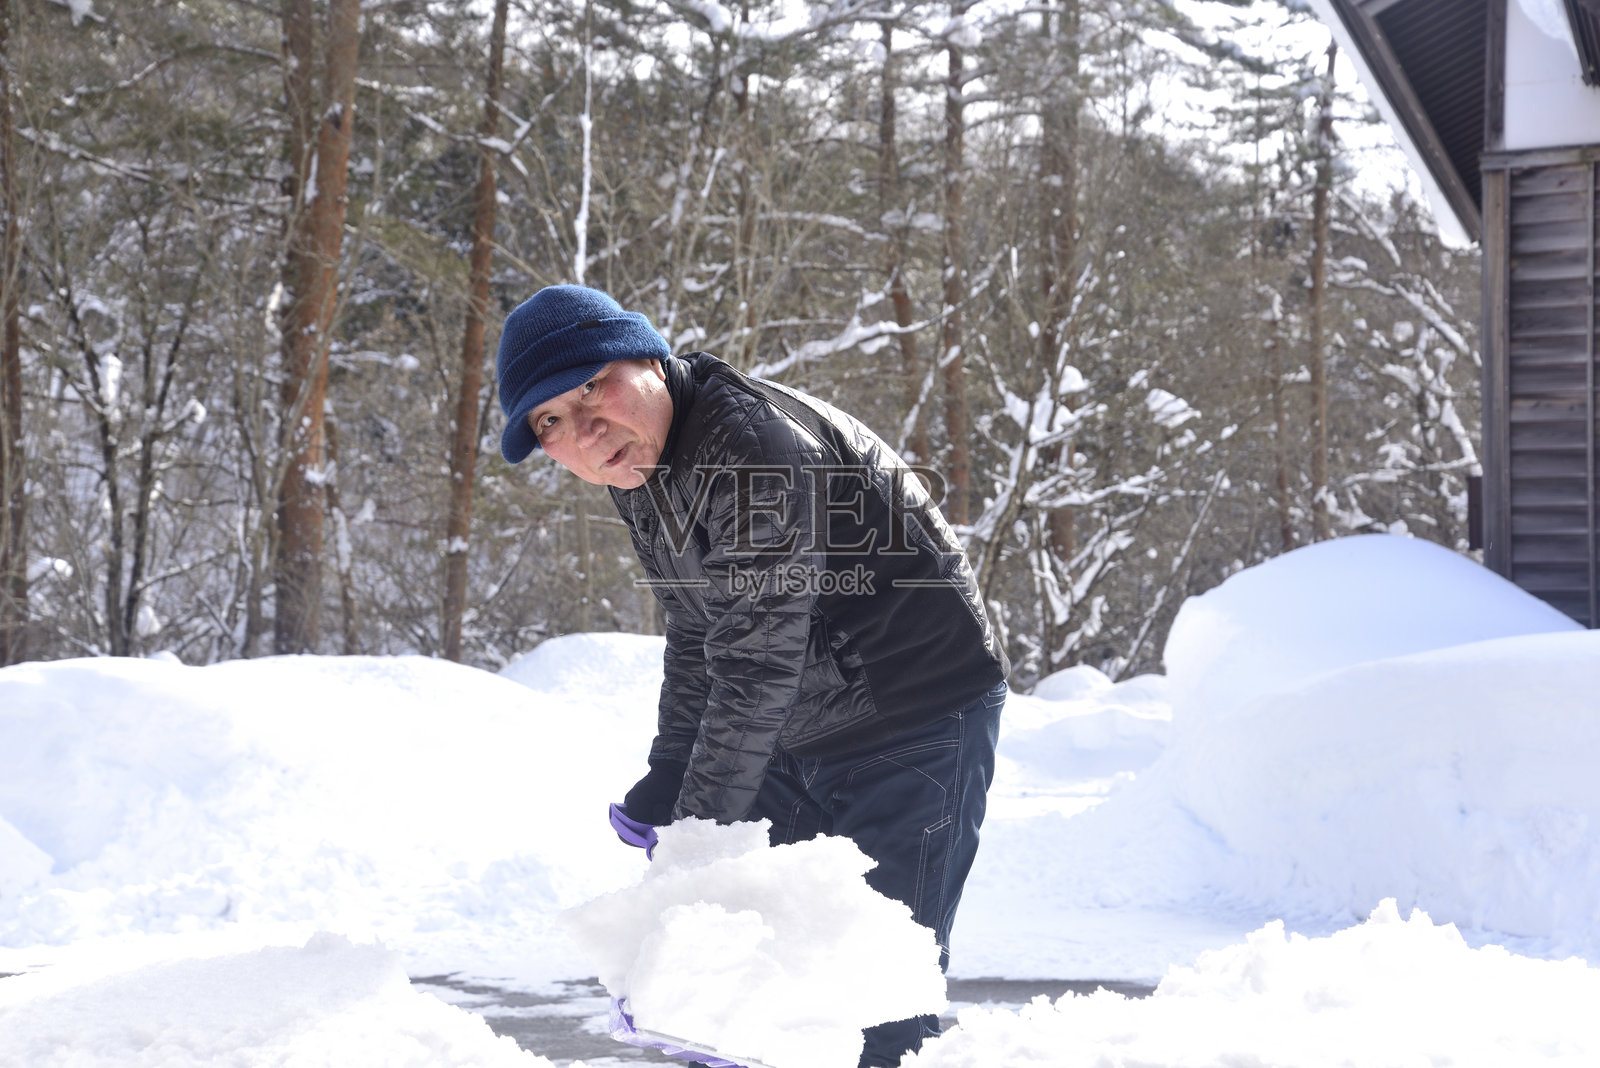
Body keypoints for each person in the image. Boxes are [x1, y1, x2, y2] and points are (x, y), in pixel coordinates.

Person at [495, 284, 1008, 1068]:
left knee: (873, 998)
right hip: (798, 722)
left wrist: (699, 838)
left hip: (916, 715)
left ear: (652, 360)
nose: (586, 430)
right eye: (551, 422)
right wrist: (672, 769)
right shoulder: (645, 466)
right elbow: (702, 630)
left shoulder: (752, 447)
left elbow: (757, 658)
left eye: (593, 385)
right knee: (742, 988)